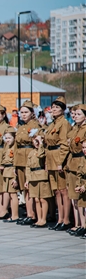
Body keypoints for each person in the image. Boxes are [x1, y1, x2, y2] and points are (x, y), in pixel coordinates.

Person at [45, 97, 72, 231]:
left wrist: (60, 162)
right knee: (56, 191)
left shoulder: (64, 123)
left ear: (63, 109)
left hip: (58, 158)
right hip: (50, 158)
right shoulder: (52, 124)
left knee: (63, 191)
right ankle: (60, 218)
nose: (54, 109)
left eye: (57, 107)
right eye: (53, 107)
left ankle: (66, 219)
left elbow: (64, 145)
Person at [13, 101, 42, 225]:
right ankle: (29, 212)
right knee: (24, 188)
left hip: (30, 157)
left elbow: (37, 143)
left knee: (29, 187)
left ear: (32, 113)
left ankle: (32, 214)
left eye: (26, 112)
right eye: (22, 112)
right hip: (20, 158)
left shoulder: (35, 125)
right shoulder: (20, 127)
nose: (23, 115)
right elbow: (15, 145)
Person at [65, 104, 86, 235]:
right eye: (75, 114)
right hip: (72, 162)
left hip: (81, 161)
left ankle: (83, 225)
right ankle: (80, 224)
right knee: (75, 196)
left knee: (82, 196)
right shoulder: (75, 128)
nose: (75, 116)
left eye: (79, 114)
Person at [25, 133, 52, 228]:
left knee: (43, 199)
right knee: (36, 199)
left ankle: (43, 219)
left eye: (38, 141)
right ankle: (39, 219)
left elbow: (41, 155)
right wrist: (27, 179)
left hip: (42, 176)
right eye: (34, 141)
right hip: (33, 177)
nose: (36, 143)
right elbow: (28, 167)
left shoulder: (43, 150)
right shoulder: (31, 152)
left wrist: (41, 143)